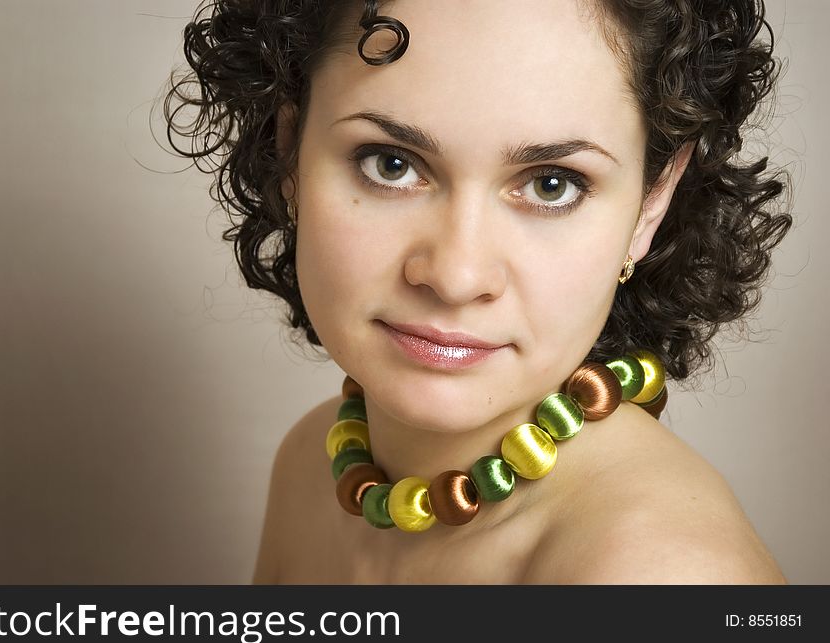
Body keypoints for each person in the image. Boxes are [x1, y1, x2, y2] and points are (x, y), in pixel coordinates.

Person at [164, 0, 792, 583]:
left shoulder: (661, 578)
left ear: (651, 204)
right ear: (289, 155)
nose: (455, 276)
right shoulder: (310, 461)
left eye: (552, 184)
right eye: (391, 163)